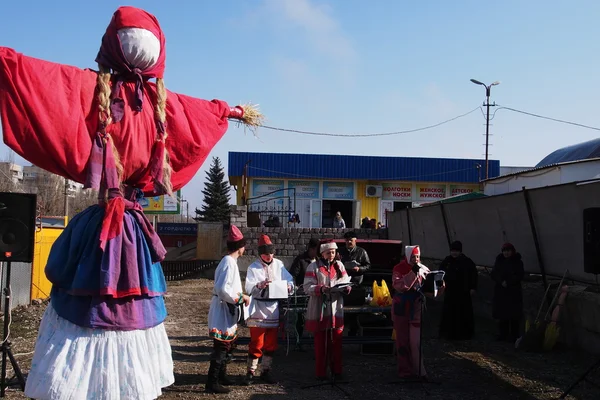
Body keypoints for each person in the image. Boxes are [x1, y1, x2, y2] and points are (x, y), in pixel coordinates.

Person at [1, 7, 261, 399]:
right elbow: (200, 115)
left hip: (100, 228)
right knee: (135, 309)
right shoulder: (163, 104)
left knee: (80, 298)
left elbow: (40, 83)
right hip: (134, 233)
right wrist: (232, 111)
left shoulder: (87, 88)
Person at [243, 234, 294, 385]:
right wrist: (260, 285)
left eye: (271, 253)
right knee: (257, 342)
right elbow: (248, 287)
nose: (269, 256)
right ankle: (250, 372)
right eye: (265, 253)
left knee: (271, 343)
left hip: (273, 308)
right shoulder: (253, 267)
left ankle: (266, 370)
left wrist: (288, 286)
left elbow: (289, 279)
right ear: (260, 254)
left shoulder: (279, 264)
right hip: (258, 308)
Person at [206, 225, 251, 394]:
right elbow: (223, 289)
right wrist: (241, 298)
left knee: (229, 344)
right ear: (240, 247)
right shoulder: (228, 263)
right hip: (222, 309)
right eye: (244, 245)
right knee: (221, 347)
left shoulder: (231, 262)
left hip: (227, 310)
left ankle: (221, 376)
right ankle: (212, 382)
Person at [392, 245, 443, 380]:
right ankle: (405, 371)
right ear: (408, 256)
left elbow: (430, 288)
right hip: (401, 307)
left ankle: (420, 371)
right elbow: (400, 286)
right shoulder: (398, 268)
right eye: (413, 256)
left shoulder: (423, 269)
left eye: (418, 256)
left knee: (415, 341)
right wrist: (412, 273)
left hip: (416, 307)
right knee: (402, 340)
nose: (416, 259)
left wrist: (440, 283)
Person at [304, 240, 352, 380]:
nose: (331, 255)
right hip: (320, 307)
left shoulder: (339, 265)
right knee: (321, 343)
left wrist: (347, 288)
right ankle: (321, 373)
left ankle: (337, 371)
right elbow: (307, 287)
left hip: (336, 307)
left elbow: (344, 279)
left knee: (336, 341)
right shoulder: (313, 267)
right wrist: (321, 289)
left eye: (333, 252)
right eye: (328, 252)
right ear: (322, 253)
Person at [439, 241, 478, 340]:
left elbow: (473, 275)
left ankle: (463, 333)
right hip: (450, 291)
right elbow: (440, 273)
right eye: (452, 251)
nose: (454, 253)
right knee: (449, 312)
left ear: (460, 251)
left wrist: (473, 287)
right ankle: (448, 332)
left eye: (456, 251)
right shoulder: (447, 261)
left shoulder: (467, 262)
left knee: (462, 312)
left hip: (463, 292)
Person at [338, 231, 371, 336]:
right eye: (347, 240)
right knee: (342, 307)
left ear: (355, 240)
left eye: (351, 240)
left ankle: (353, 330)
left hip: (356, 284)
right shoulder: (340, 251)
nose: (349, 242)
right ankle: (341, 328)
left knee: (355, 309)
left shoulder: (361, 252)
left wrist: (359, 268)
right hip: (342, 283)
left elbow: (368, 266)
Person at [289, 238, 321, 346]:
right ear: (311, 249)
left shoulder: (319, 260)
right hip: (302, 293)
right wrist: (294, 286)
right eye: (317, 249)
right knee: (300, 318)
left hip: (316, 293)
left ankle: (316, 341)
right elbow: (292, 275)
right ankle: (299, 341)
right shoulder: (301, 260)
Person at [491, 243, 524, 342]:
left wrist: (509, 282)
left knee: (514, 314)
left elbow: (520, 275)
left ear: (512, 251)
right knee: (502, 314)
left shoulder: (517, 262)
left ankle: (514, 335)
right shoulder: (499, 261)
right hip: (501, 290)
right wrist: (501, 281)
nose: (506, 253)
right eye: (504, 251)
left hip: (513, 291)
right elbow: (494, 273)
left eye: (508, 251)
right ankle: (503, 334)